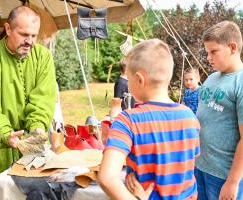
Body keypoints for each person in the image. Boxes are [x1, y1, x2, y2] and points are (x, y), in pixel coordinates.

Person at [98, 39, 200, 199]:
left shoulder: (127, 121)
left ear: (139, 79)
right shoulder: (190, 117)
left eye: (128, 79)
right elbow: (187, 165)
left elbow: (107, 178)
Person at [0, 6, 56, 188]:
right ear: (8, 29)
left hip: (34, 142)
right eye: (24, 34)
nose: (30, 41)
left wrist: (37, 128)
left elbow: (43, 99)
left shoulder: (43, 57)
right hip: (0, 146)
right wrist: (5, 134)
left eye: (34, 36)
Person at [195, 21, 243, 199]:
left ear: (232, 47)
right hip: (200, 166)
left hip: (224, 175)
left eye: (213, 51)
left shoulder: (240, 83)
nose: (208, 57)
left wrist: (232, 182)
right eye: (207, 52)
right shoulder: (212, 78)